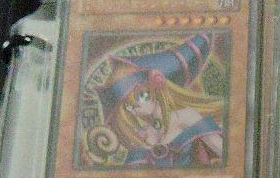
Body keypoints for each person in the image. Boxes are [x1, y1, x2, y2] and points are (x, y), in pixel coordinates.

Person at [89, 33, 223, 167]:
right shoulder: (143, 135)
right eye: (129, 107)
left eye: (141, 96)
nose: (136, 109)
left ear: (156, 88)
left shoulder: (186, 116)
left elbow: (224, 154)